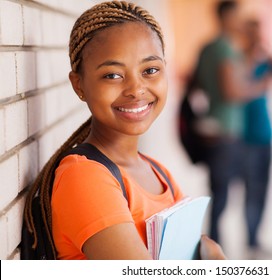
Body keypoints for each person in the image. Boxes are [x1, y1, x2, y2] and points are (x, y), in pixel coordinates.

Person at [23, 1, 225, 260]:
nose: (136, 89)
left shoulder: (158, 172)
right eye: (113, 75)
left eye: (150, 70)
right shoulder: (84, 176)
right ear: (79, 85)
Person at [191, 0, 267, 244]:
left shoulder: (207, 48)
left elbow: (199, 84)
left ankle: (213, 244)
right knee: (223, 195)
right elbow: (231, 91)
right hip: (226, 132)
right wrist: (259, 88)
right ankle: (213, 248)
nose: (239, 23)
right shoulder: (225, 48)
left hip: (213, 127)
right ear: (225, 18)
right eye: (236, 17)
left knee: (218, 193)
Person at [241, 18, 272, 257]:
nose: (256, 39)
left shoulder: (265, 60)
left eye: (258, 34)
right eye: (251, 34)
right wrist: (252, 60)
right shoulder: (239, 61)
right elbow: (239, 89)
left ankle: (256, 237)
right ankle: (250, 240)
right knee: (251, 190)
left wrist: (268, 54)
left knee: (263, 190)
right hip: (245, 138)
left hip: (266, 134)